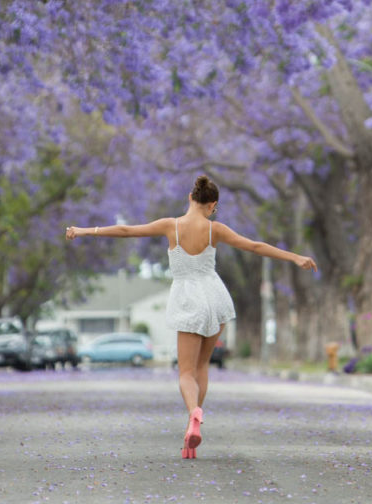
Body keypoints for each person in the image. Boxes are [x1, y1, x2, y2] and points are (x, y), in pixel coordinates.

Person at [65, 174, 317, 459]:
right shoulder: (215, 229)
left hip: (187, 299)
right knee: (202, 368)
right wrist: (295, 257)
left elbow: (126, 230)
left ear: (190, 198)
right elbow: (255, 246)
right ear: (212, 205)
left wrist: (85, 230)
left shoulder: (170, 226)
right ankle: (191, 430)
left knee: (185, 372)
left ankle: (193, 414)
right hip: (214, 297)